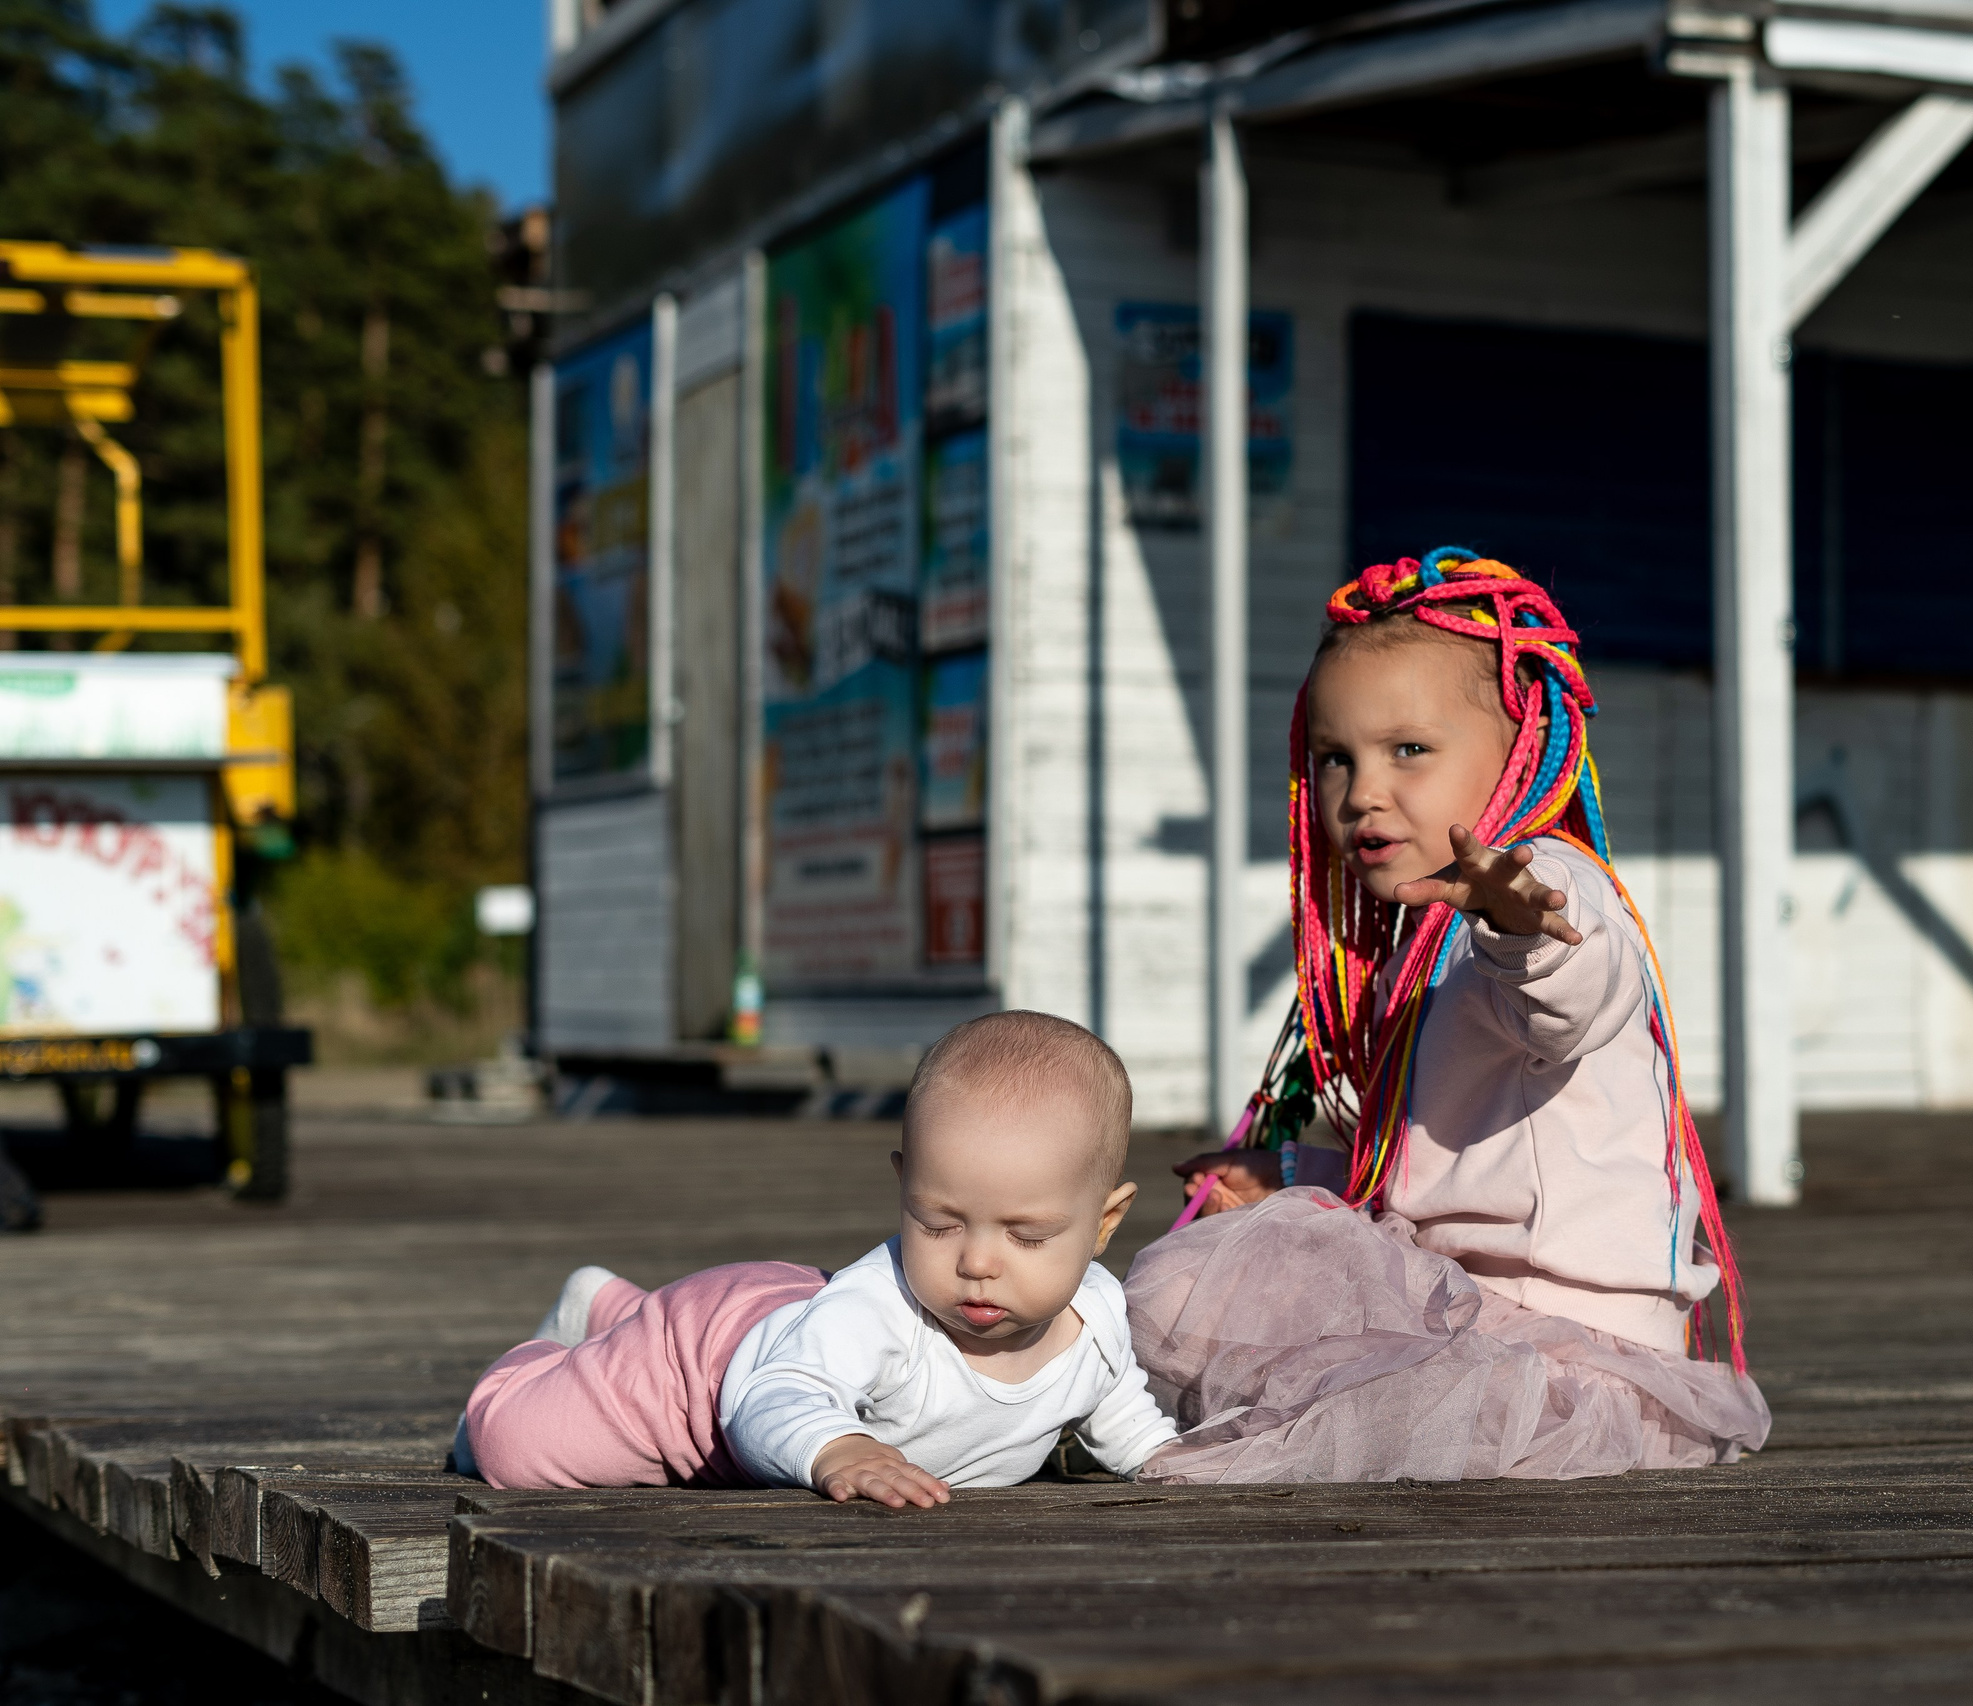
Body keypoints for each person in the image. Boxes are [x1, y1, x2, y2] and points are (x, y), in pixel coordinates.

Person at [1126, 549, 1772, 1483]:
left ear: (1519, 752)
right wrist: (1295, 1170)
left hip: (1567, 1358)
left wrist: (1519, 922)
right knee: (1201, 1273)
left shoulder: (1547, 888)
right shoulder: (1416, 944)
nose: (1363, 792)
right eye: (1335, 759)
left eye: (1409, 751)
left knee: (1197, 1298)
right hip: (1465, 1310)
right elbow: (1435, 1165)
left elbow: (1575, 998)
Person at [454, 1011, 1176, 1505]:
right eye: (937, 1223)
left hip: (792, 1310)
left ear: (1104, 1223)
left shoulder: (1097, 1312)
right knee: (511, 1451)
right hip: (699, 1371)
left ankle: (611, 1307)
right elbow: (770, 1399)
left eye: (1026, 1237)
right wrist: (837, 1450)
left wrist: (1161, 1461)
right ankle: (549, 1353)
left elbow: (1116, 1406)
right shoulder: (879, 1315)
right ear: (904, 1189)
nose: (978, 1262)